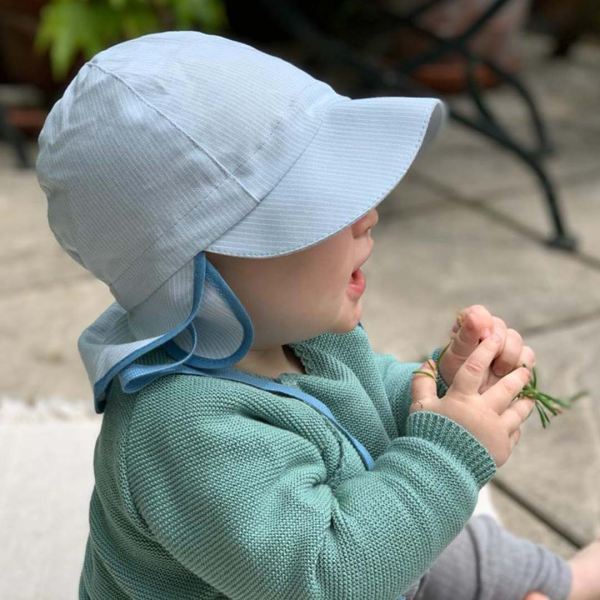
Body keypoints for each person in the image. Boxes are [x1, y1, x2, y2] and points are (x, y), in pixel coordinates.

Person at [35, 30, 599, 600]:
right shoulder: (180, 431)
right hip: (333, 580)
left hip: (359, 556)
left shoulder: (302, 336)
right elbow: (329, 578)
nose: (368, 215)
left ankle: (565, 583)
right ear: (201, 269)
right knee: (414, 504)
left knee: (434, 533)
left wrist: (443, 389)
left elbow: (370, 396)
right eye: (323, 201)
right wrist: (446, 454)